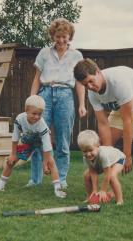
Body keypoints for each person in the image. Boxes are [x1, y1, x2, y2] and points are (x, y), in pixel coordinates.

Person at [74, 58, 133, 205]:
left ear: (98, 72)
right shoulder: (92, 93)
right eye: (85, 85)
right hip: (122, 108)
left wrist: (127, 155)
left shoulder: (118, 82)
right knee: (101, 147)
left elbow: (128, 121)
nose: (90, 87)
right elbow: (103, 123)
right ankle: (111, 187)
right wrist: (107, 154)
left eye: (91, 81)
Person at [28, 18, 86, 188]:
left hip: (65, 95)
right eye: (57, 36)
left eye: (64, 37)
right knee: (38, 137)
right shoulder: (44, 53)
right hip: (45, 94)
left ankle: (61, 179)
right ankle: (35, 179)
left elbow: (80, 82)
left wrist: (82, 104)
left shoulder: (77, 56)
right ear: (53, 36)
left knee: (63, 139)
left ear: (70, 37)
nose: (61, 40)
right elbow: (37, 79)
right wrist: (32, 101)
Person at [0, 95, 66, 198]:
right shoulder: (20, 119)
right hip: (28, 141)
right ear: (26, 110)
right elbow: (15, 136)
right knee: (10, 161)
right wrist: (13, 154)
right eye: (34, 113)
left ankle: (57, 189)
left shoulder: (42, 125)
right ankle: (0, 185)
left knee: (51, 162)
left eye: (40, 114)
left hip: (41, 143)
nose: (37, 117)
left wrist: (45, 164)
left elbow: (47, 146)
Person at [77, 130, 125, 205]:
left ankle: (120, 200)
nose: (88, 154)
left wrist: (103, 190)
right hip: (104, 163)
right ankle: (90, 196)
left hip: (118, 159)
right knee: (87, 175)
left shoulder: (103, 154)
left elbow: (107, 173)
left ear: (98, 145)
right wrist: (95, 190)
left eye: (90, 150)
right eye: (84, 151)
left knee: (112, 176)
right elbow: (93, 172)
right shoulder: (86, 157)